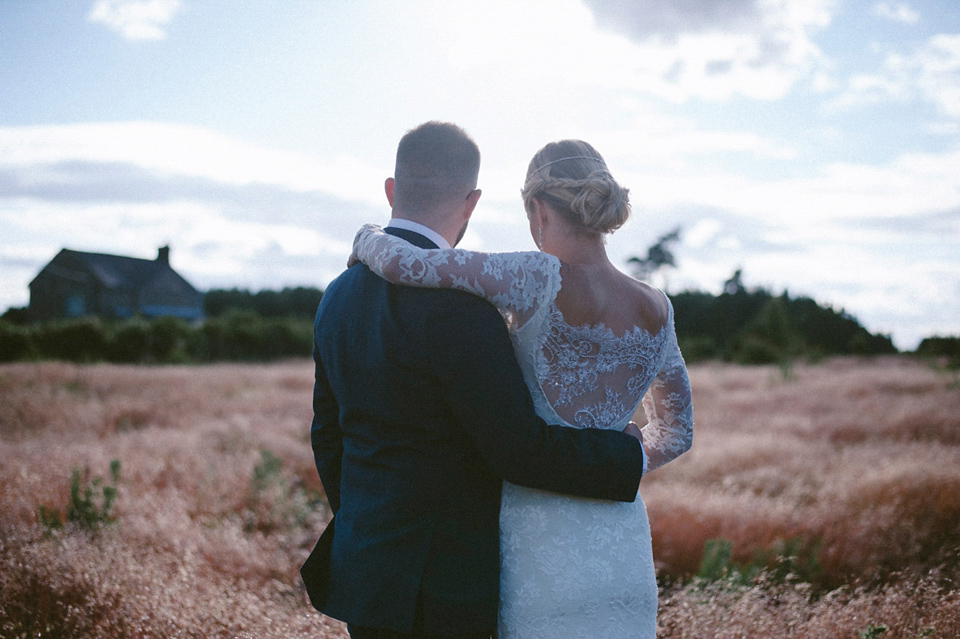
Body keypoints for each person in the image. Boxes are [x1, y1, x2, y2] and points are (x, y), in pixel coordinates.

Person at [301, 122, 649, 639]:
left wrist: (369, 524)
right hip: (447, 586)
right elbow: (516, 448)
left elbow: (328, 435)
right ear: (472, 202)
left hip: (367, 574)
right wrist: (627, 456)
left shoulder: (337, 293)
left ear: (391, 190)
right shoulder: (462, 309)